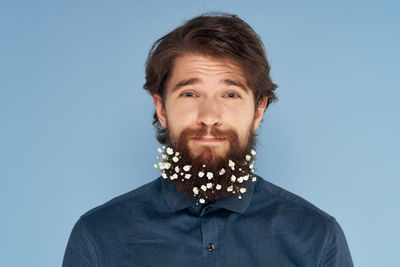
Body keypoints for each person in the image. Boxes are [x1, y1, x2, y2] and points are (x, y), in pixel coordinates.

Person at [63, 13, 353, 267]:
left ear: (258, 110)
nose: (210, 116)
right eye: (190, 94)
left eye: (230, 95)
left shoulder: (316, 236)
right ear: (162, 109)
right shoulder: (98, 236)